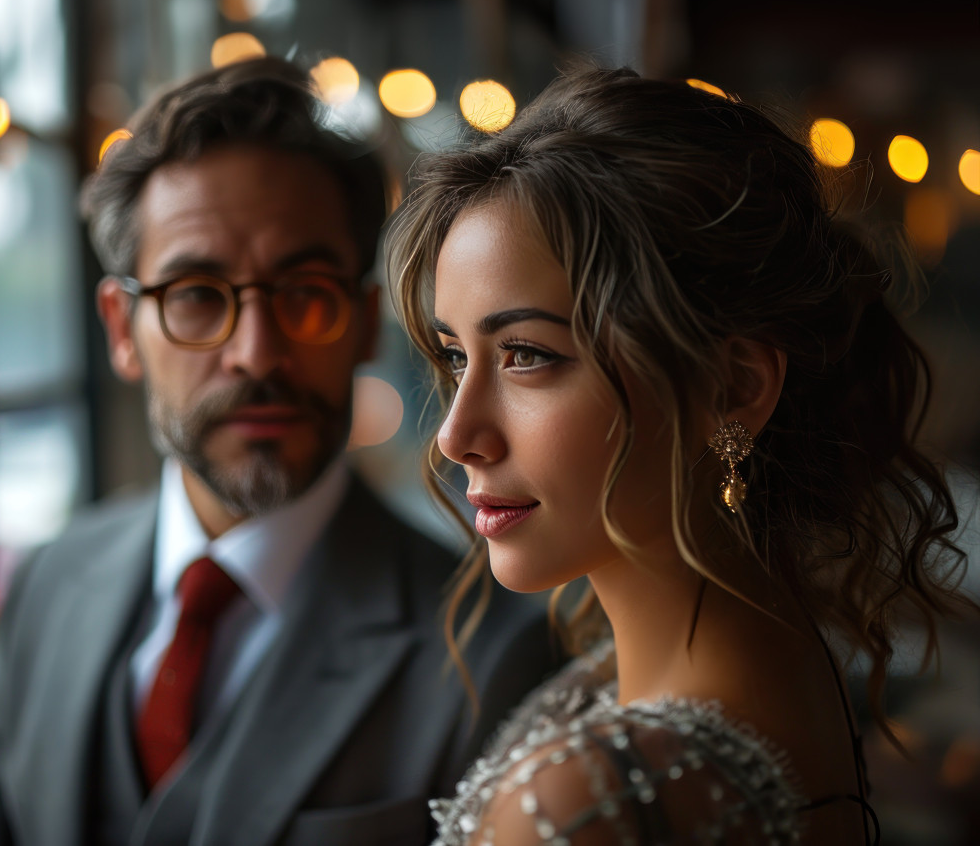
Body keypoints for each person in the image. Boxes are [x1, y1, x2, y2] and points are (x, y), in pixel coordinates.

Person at [0, 57, 558, 846]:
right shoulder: (51, 579)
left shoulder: (496, 650)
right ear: (120, 331)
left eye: (305, 292)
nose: (257, 352)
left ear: (362, 319)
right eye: (198, 296)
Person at [387, 65, 977, 844]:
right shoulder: (778, 653)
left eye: (527, 354)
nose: (456, 434)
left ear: (733, 387)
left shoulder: (592, 799)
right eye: (458, 356)